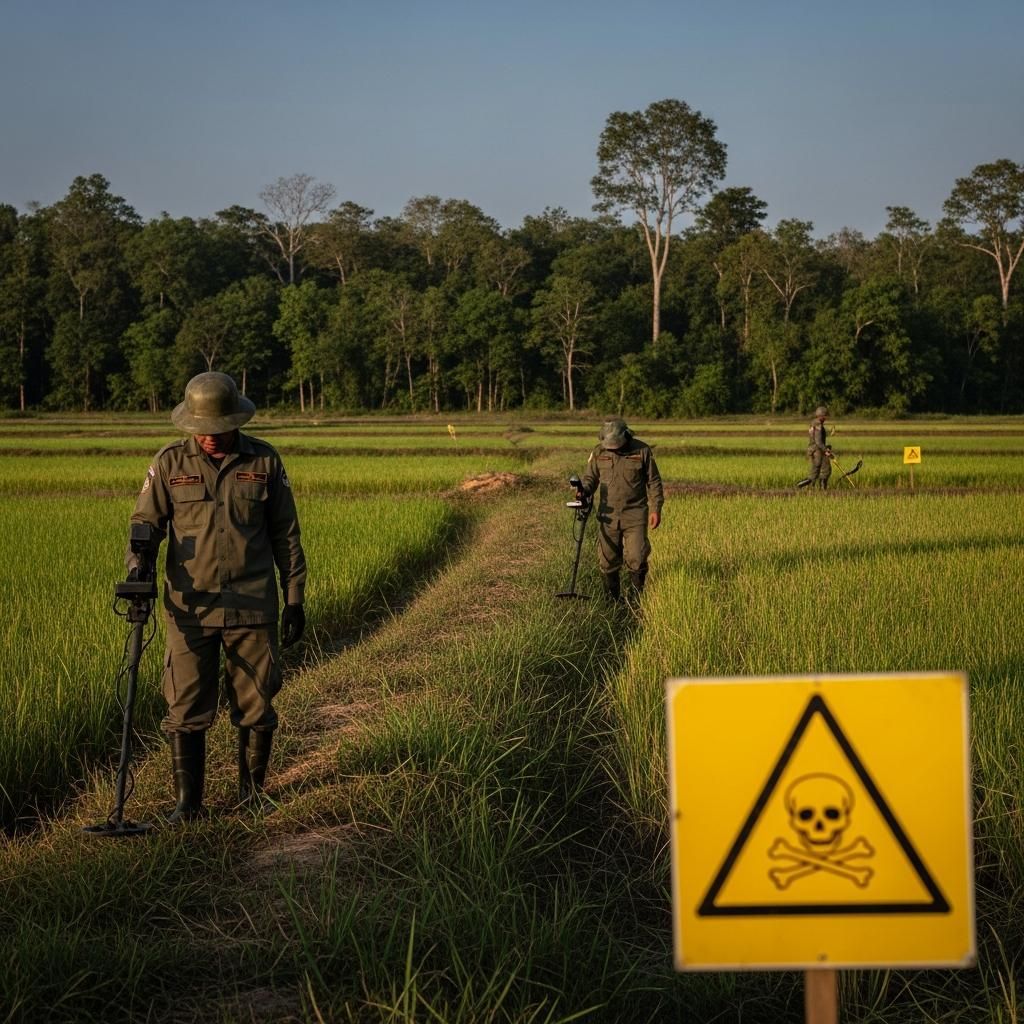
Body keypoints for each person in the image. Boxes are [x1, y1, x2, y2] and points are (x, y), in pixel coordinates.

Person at [127, 371, 307, 823]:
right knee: (185, 705)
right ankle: (188, 805)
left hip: (252, 604)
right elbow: (144, 526)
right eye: (200, 429)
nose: (209, 437)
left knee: (256, 704)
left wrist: (294, 598)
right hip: (190, 608)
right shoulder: (169, 463)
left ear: (235, 421)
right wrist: (138, 570)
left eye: (217, 428)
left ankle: (252, 797)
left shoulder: (264, 461)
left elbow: (286, 534)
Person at [579, 418, 663, 601]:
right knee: (607, 559)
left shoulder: (642, 450)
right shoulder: (598, 452)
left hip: (635, 514)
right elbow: (590, 478)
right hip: (608, 515)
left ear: (626, 436)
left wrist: (656, 509)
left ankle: (636, 600)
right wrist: (583, 490)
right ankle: (612, 602)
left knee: (637, 556)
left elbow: (654, 481)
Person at [805, 405, 832, 490]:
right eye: (825, 416)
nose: (826, 418)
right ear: (821, 416)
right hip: (817, 450)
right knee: (825, 470)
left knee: (815, 471)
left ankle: (806, 487)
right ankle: (822, 490)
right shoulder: (818, 424)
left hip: (815, 449)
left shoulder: (815, 423)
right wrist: (826, 450)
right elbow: (818, 441)